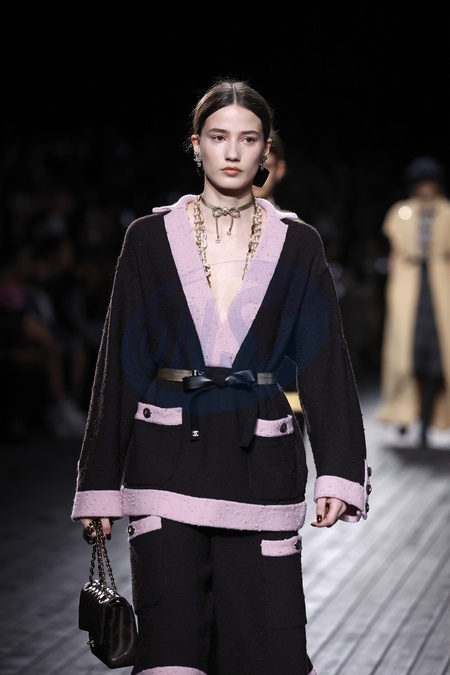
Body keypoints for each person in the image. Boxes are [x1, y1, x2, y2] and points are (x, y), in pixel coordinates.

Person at [71, 77, 371, 675]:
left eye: (248, 139)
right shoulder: (149, 238)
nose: (232, 152)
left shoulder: (298, 244)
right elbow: (119, 361)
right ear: (196, 145)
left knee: (269, 652)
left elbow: (324, 361)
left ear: (266, 151)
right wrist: (99, 483)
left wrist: (338, 470)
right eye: (217, 136)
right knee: (172, 651)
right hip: (166, 460)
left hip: (261, 466)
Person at [378, 156, 450, 450]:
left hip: (440, 289)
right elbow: (395, 253)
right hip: (408, 288)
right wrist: (393, 289)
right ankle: (406, 412)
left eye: (430, 182)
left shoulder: (447, 212)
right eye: (421, 183)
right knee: (406, 357)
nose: (426, 188)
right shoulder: (402, 212)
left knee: (436, 358)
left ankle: (426, 420)